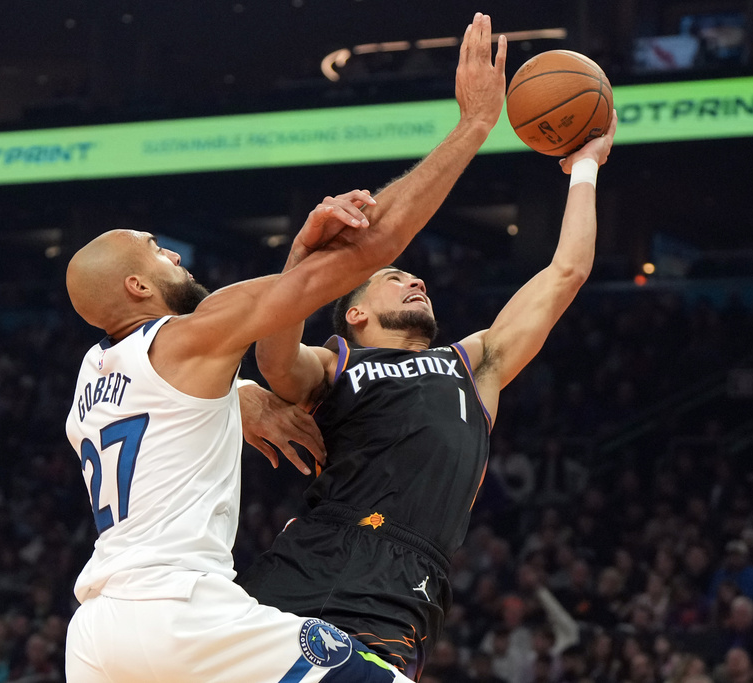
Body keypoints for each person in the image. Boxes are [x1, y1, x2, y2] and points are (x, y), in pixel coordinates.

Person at [61, 12, 508, 683]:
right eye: (157, 251)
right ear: (136, 285)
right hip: (179, 614)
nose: (175, 252)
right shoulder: (195, 332)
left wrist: (242, 395)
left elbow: (169, 412)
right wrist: (473, 125)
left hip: (95, 635)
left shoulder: (91, 378)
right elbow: (375, 247)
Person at [240, 108, 617, 679]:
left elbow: (566, 271)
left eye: (415, 278)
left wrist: (585, 168)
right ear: (356, 311)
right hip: (317, 551)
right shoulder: (337, 362)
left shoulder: (476, 363)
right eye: (395, 278)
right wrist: (301, 262)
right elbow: (274, 360)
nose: (416, 280)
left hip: (404, 580)